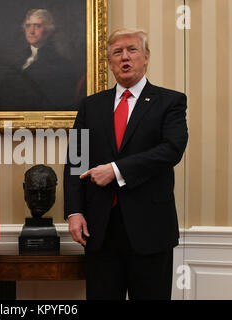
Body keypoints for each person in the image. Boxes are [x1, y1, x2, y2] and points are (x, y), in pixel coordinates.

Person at [64, 28, 188, 300]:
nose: (125, 57)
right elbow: (76, 159)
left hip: (150, 228)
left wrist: (117, 171)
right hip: (100, 230)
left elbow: (171, 149)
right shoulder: (90, 106)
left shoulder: (170, 102)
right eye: (117, 53)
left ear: (145, 57)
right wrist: (74, 212)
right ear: (109, 63)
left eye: (132, 50)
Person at [0, 9, 81, 111]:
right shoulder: (20, 59)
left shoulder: (60, 64)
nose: (31, 31)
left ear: (49, 31)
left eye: (37, 26)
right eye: (28, 26)